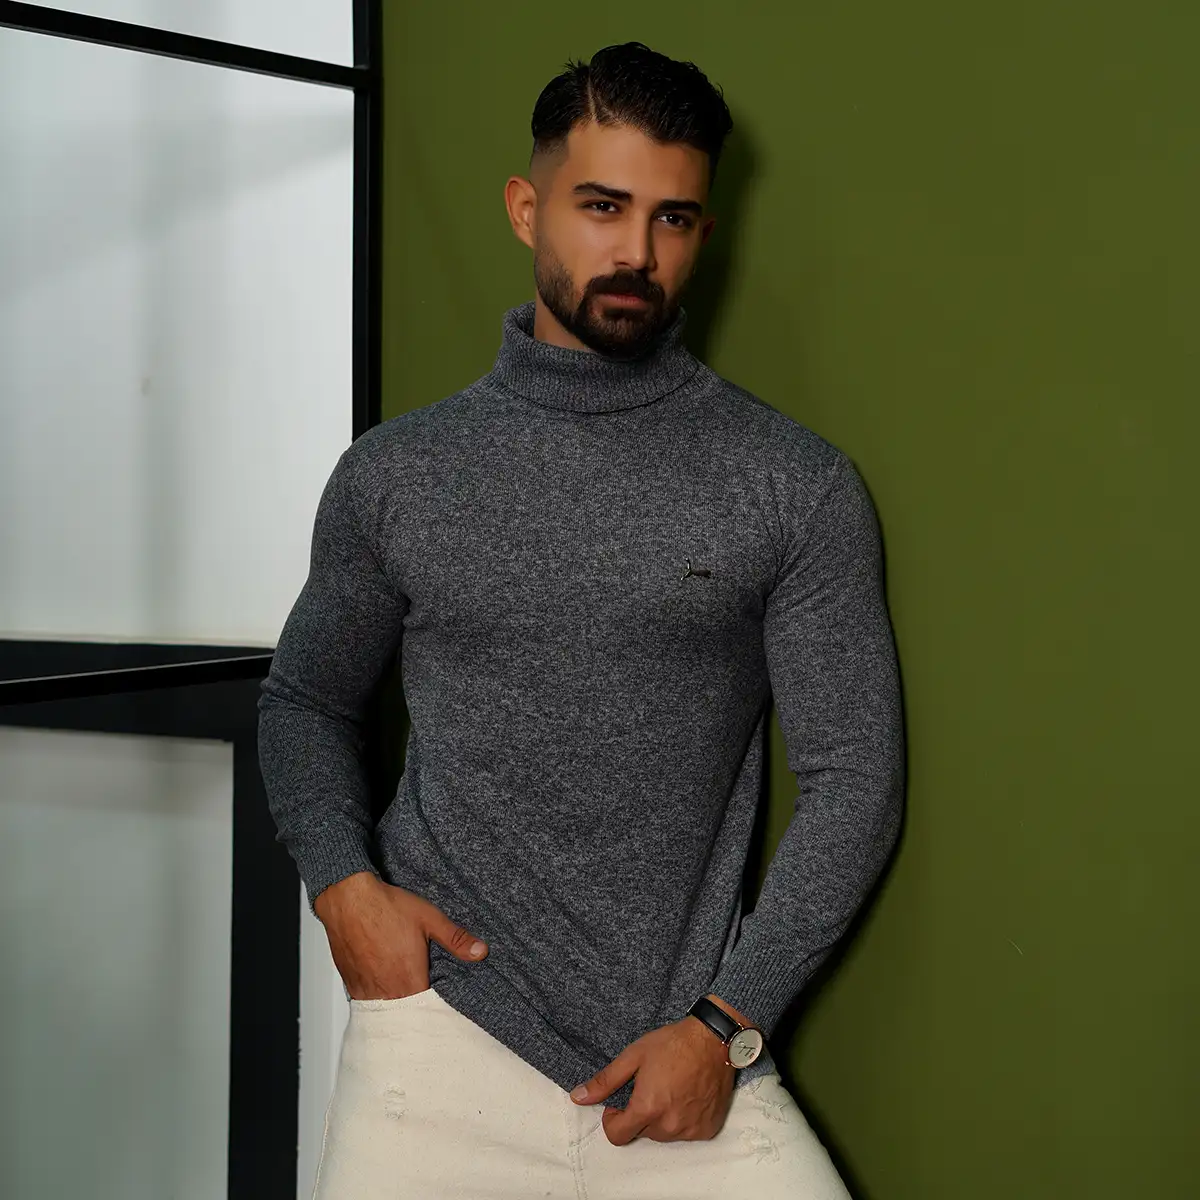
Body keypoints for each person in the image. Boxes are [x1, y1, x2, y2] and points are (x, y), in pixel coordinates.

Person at [259, 40, 903, 1200]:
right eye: (602, 206)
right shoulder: (397, 476)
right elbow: (304, 699)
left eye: (672, 218)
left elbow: (856, 778)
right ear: (527, 208)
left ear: (702, 232)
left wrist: (727, 1024)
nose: (636, 252)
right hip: (441, 1039)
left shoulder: (793, 484)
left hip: (685, 1057)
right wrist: (341, 885)